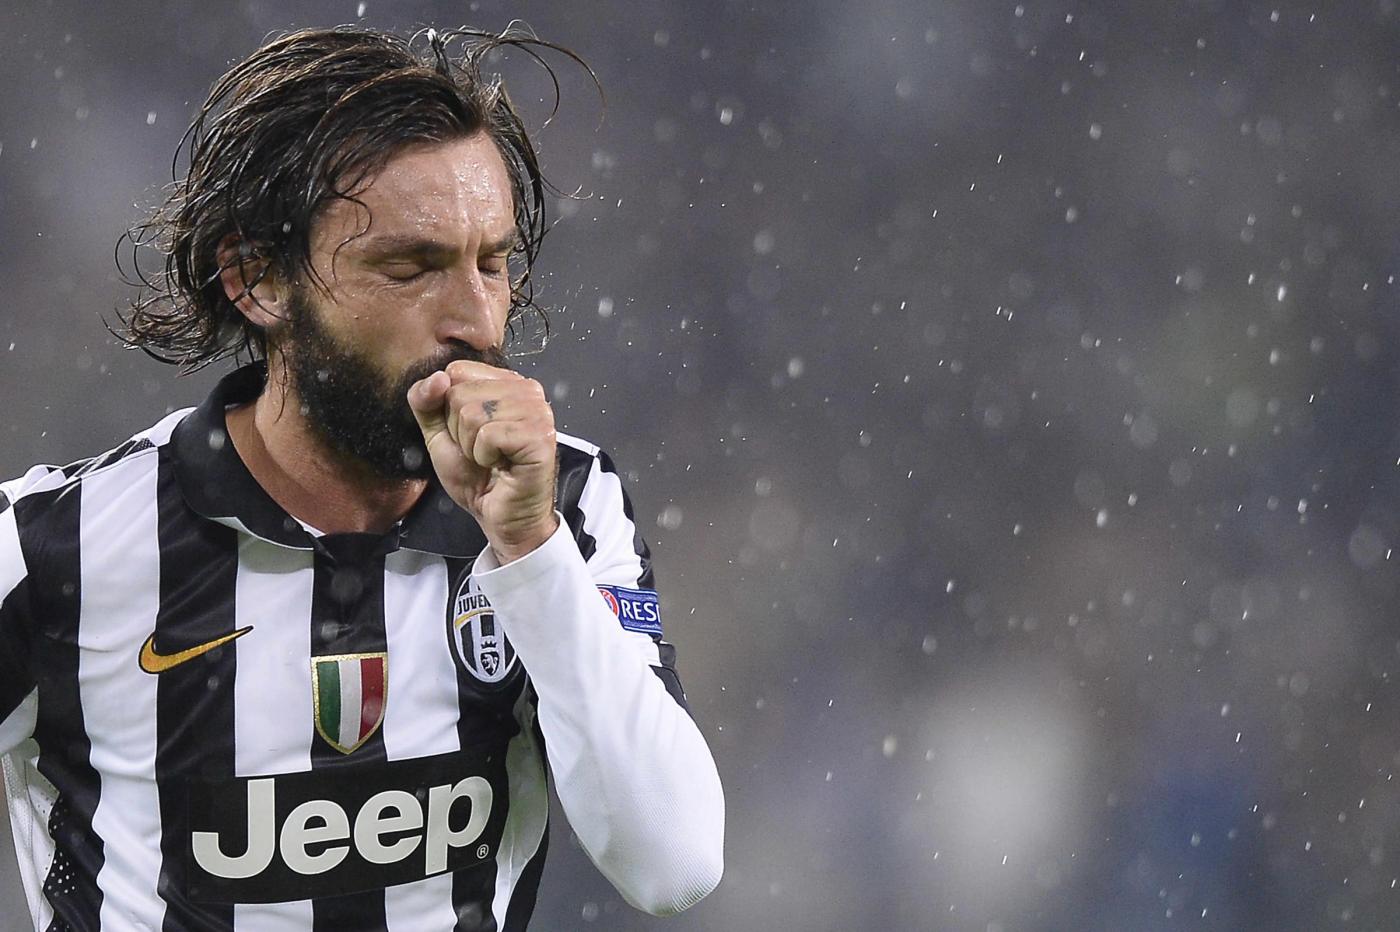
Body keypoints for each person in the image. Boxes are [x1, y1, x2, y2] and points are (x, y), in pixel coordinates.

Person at [0, 25, 724, 931]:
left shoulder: (565, 506)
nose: (475, 319)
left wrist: (530, 550)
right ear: (258, 279)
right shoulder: (51, 547)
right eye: (410, 267)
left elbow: (673, 865)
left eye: (492, 263)